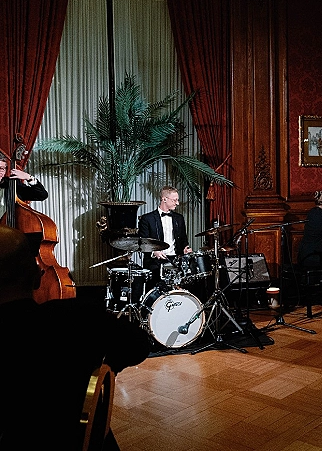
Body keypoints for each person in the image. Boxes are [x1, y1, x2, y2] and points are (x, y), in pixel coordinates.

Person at [0, 225, 151, 450]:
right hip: (82, 441)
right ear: (37, 277)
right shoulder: (79, 315)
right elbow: (139, 344)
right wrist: (105, 369)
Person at [138, 184, 192, 288]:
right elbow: (142, 242)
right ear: (164, 199)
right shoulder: (147, 219)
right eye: (174, 200)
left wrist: (185, 248)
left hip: (175, 260)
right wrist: (154, 251)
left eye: (177, 200)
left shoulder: (179, 218)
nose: (177, 203)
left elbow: (184, 240)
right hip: (155, 262)